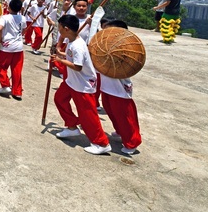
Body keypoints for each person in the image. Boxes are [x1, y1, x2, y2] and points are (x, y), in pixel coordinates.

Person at [50, 15, 111, 155]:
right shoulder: (71, 40)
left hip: (83, 85)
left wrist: (59, 60)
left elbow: (77, 66)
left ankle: (102, 143)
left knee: (88, 114)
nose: (59, 31)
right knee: (59, 99)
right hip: (72, 82)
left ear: (66, 29)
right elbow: (70, 56)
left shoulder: (78, 45)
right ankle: (71, 126)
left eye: (59, 28)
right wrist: (60, 53)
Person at [98, 19, 142, 155]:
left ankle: (132, 142)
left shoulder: (126, 48)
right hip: (106, 86)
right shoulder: (104, 45)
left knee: (125, 116)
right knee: (112, 112)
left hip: (119, 89)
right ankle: (120, 132)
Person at [0, 0, 26, 100]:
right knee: (17, 69)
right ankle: (17, 92)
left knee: (2, 66)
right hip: (18, 46)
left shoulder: (5, 18)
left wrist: (0, 39)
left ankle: (5, 85)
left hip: (7, 46)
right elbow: (24, 29)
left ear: (9, 7)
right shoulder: (22, 18)